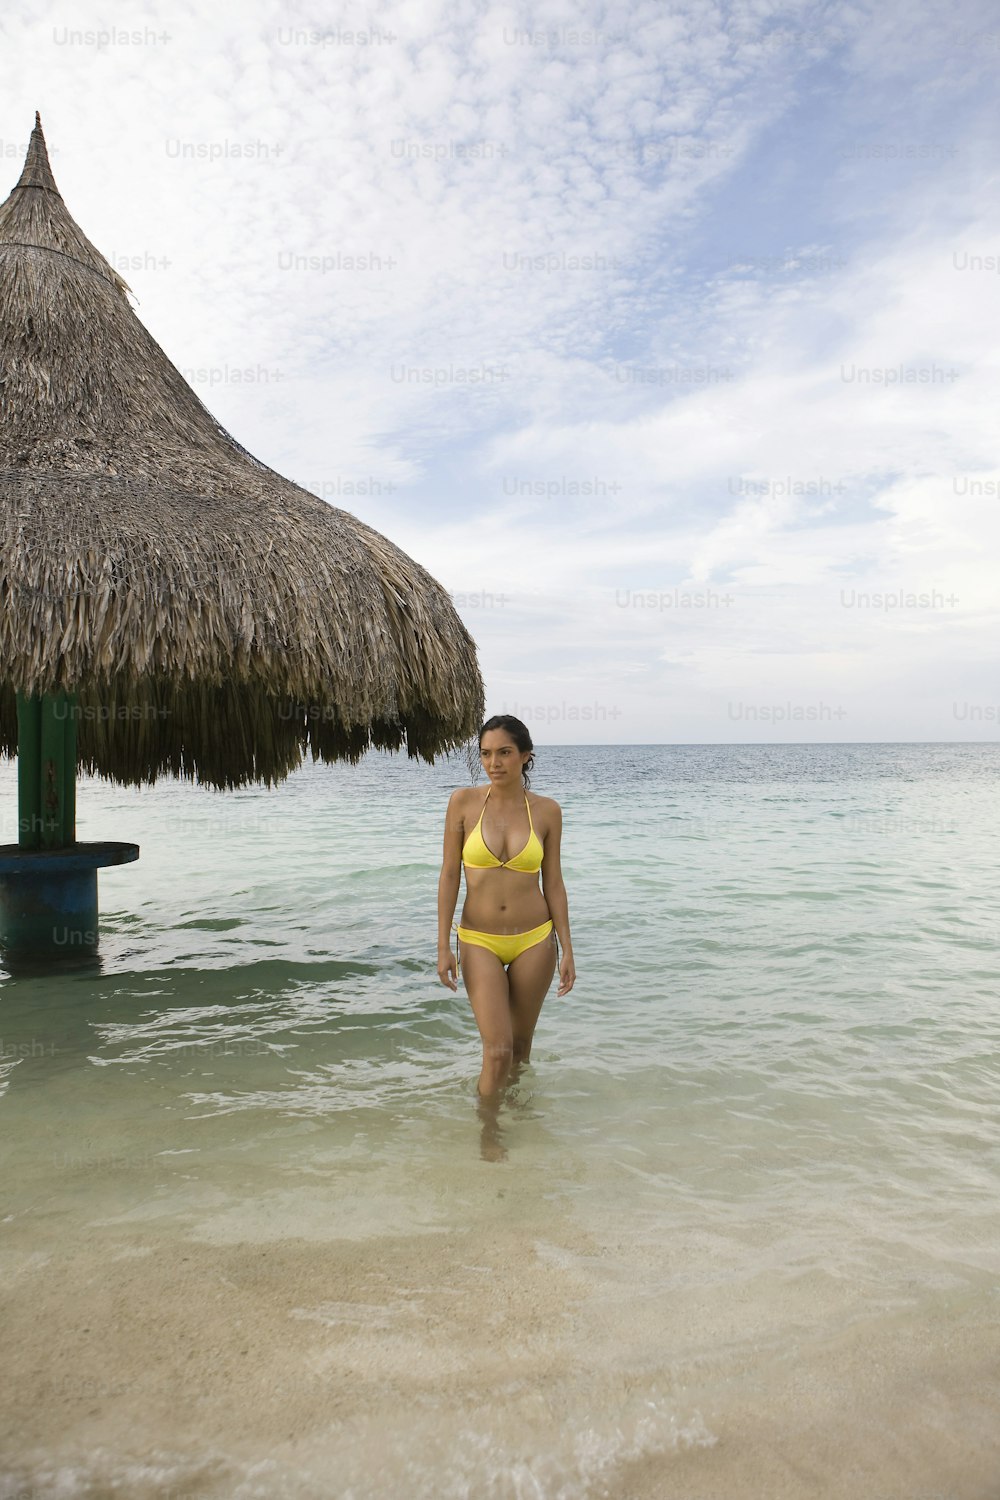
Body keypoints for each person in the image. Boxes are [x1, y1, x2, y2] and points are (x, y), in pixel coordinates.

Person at [437, 715, 576, 1104]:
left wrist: (567, 949)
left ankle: (518, 1118)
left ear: (525, 757)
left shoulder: (547, 811)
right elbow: (449, 874)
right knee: (497, 1050)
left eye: (504, 753)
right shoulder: (462, 803)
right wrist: (443, 945)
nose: (493, 763)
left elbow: (554, 882)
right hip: (478, 938)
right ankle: (489, 1132)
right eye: (485, 754)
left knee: (520, 1048)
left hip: (535, 939)